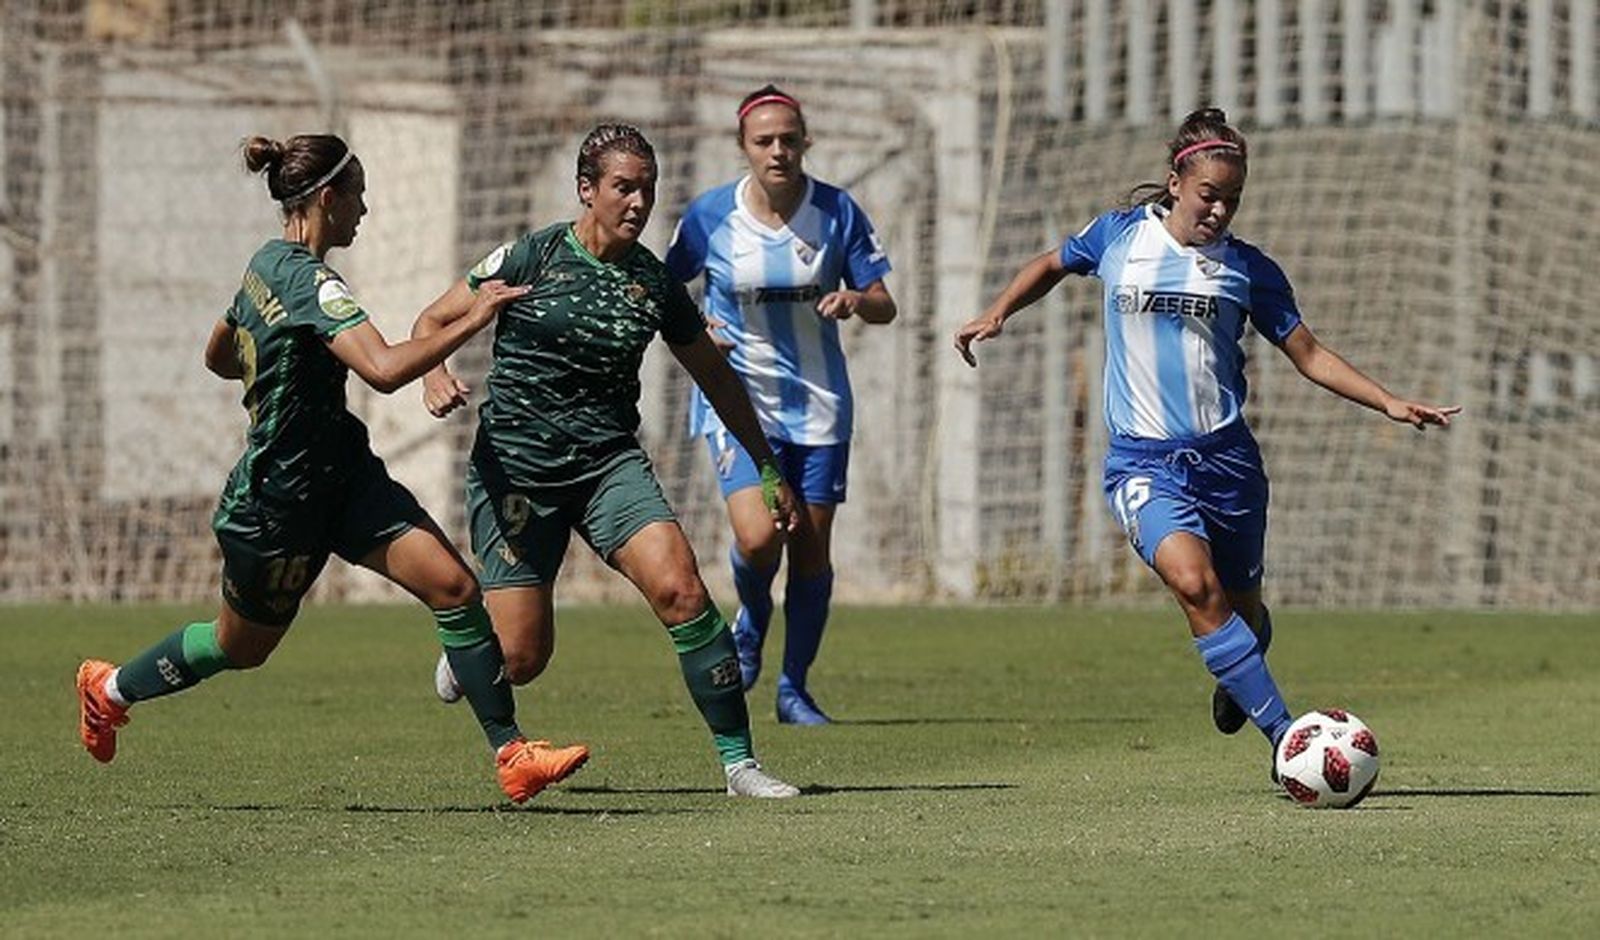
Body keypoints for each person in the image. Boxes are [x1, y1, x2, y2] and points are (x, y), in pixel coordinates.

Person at [72, 133, 583, 804]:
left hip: (343, 474)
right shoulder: (312, 282)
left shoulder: (265, 265)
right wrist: (477, 317)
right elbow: (385, 368)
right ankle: (107, 690)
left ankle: (512, 754)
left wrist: (270, 371)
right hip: (279, 500)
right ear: (326, 198)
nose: (365, 212)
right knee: (241, 647)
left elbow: (219, 353)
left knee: (455, 587)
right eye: (359, 197)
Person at [953, 108, 1459, 764]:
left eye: (1233, 199)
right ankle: (1287, 739)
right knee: (1195, 587)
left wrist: (1387, 400)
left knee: (1241, 613)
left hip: (1228, 465)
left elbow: (1308, 353)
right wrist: (997, 312)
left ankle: (1240, 670)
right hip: (1143, 463)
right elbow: (1052, 262)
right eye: (1208, 195)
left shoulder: (1248, 269)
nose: (1220, 210)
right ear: (1175, 183)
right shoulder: (1118, 238)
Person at [415, 123, 804, 798]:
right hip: (517, 471)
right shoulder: (531, 255)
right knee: (523, 659)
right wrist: (434, 373)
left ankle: (740, 765)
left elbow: (715, 376)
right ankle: (472, 655)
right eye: (623, 187)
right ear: (586, 190)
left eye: (647, 189)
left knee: (682, 589)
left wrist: (767, 465)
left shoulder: (652, 283)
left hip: (607, 468)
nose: (638, 202)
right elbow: (430, 321)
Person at [664, 85, 896, 725]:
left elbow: (885, 302)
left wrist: (856, 300)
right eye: (764, 141)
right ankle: (751, 620)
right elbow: (663, 289)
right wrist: (698, 327)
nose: (778, 151)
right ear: (743, 147)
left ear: (805, 143)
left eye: (789, 139)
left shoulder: (838, 211)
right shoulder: (710, 216)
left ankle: (794, 689)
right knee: (759, 534)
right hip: (737, 404)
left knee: (811, 550)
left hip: (819, 405)